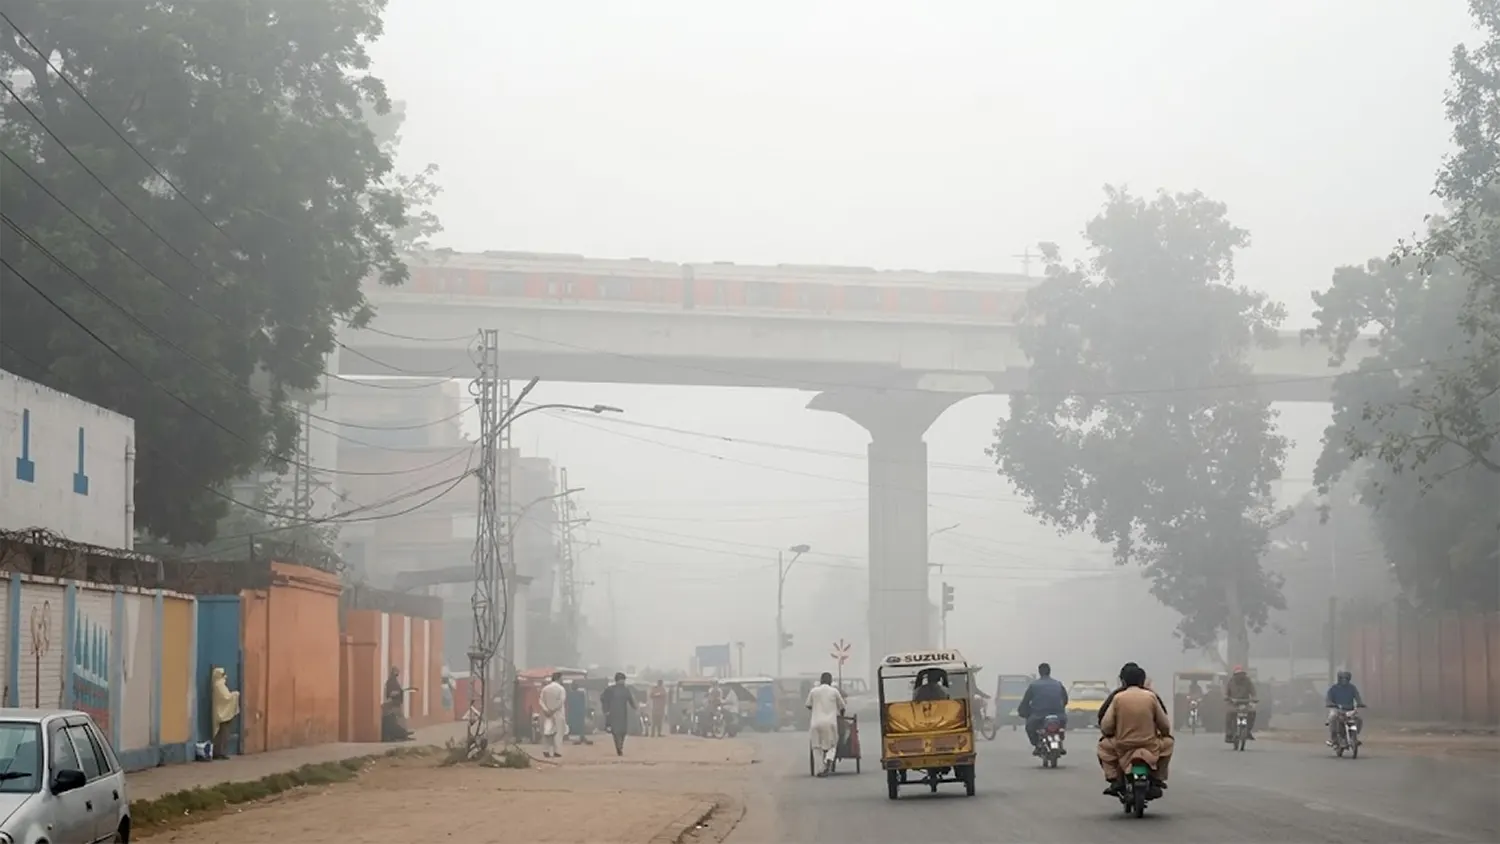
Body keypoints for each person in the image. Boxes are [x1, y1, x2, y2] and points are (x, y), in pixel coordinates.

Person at [1097, 664, 1173, 796]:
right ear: (1142, 681)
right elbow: (1165, 725)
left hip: (1123, 746)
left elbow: (1106, 726)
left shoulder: (1117, 697)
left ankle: (1114, 778)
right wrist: (1163, 734)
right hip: (1150, 745)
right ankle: (1158, 777)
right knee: (1169, 743)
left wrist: (1110, 733)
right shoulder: (1151, 697)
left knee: (1103, 747)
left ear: (1123, 681)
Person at [1017, 662, 1069, 755]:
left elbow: (1026, 701)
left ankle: (1037, 745)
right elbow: (1065, 699)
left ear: (1039, 672)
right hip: (1059, 714)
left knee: (1030, 728)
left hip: (1039, 715)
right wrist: (1060, 708)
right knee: (1061, 727)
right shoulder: (1058, 684)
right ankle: (1059, 743)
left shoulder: (1034, 685)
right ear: (1049, 672)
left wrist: (1022, 711)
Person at [805, 672, 847, 777]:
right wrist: (841, 715)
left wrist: (816, 709)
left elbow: (808, 705)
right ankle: (829, 759)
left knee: (816, 747)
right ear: (830, 681)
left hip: (815, 723)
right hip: (830, 723)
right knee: (832, 745)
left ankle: (820, 770)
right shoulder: (834, 691)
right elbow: (842, 707)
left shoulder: (814, 691)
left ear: (820, 680)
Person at [600, 672, 638, 756]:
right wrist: (606, 709)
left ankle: (620, 746)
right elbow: (603, 698)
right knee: (616, 732)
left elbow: (631, 700)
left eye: (623, 680)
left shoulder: (626, 690)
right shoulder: (610, 690)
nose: (622, 682)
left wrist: (635, 707)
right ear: (617, 681)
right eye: (621, 680)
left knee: (623, 731)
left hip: (623, 713)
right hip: (613, 713)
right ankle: (618, 747)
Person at [1324, 670, 1365, 746]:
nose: (1344, 680)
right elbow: (1328, 699)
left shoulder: (1352, 688)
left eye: (1346, 678)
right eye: (1342, 678)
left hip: (1350, 710)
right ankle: (1333, 739)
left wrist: (1360, 703)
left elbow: (1357, 697)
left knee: (1359, 719)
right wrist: (1330, 704)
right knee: (1333, 717)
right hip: (1337, 709)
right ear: (1339, 679)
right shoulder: (1333, 689)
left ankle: (1354, 736)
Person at [1223, 666, 1258, 742]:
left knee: (1252, 713)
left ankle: (1248, 731)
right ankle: (1229, 733)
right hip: (1233, 703)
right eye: (1238, 674)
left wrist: (1254, 698)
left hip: (1245, 702)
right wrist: (1227, 697)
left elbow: (1253, 691)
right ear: (1234, 675)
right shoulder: (1231, 682)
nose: (1239, 676)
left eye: (1241, 674)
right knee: (1229, 714)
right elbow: (1226, 692)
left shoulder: (1248, 682)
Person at [539, 672, 568, 758]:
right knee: (558, 733)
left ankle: (546, 750)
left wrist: (546, 710)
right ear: (559, 678)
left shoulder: (545, 689)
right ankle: (557, 751)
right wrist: (553, 710)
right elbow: (561, 701)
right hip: (558, 714)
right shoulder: (561, 689)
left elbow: (541, 701)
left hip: (546, 714)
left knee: (547, 733)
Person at [381, 666, 412, 742]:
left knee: (400, 719)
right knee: (398, 719)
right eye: (396, 672)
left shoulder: (394, 681)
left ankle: (403, 733)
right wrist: (399, 692)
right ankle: (402, 734)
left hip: (396, 704)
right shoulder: (390, 682)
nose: (398, 673)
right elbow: (390, 693)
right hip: (392, 704)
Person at [566, 681, 592, 746]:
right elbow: (583, 703)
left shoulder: (569, 694)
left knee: (571, 725)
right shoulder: (581, 694)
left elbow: (568, 704)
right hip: (580, 711)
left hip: (573, 712)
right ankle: (582, 737)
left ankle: (570, 736)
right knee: (581, 725)